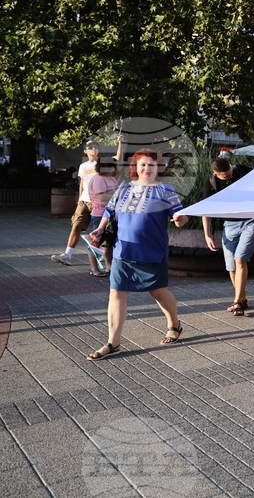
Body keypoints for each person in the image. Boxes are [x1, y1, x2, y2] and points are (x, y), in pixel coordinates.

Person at [85, 150, 188, 360]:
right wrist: (101, 229)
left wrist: (179, 219)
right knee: (117, 294)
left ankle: (174, 324)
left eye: (151, 165)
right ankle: (113, 343)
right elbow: (109, 210)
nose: (147, 169)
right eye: (143, 165)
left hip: (152, 251)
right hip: (124, 251)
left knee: (158, 292)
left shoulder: (165, 190)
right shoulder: (124, 187)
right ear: (136, 167)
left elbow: (181, 216)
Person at [201, 158, 254, 316]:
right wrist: (207, 235)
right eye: (226, 176)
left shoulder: (240, 170)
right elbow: (205, 210)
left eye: (230, 173)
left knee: (240, 259)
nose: (230, 177)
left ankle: (236, 302)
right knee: (231, 267)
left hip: (251, 220)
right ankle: (242, 299)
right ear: (216, 174)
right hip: (229, 225)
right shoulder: (210, 183)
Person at [51, 138, 122, 266]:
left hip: (99, 202)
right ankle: (67, 254)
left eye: (95, 146)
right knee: (76, 227)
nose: (93, 149)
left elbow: (117, 158)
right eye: (90, 147)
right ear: (85, 151)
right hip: (84, 200)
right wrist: (79, 199)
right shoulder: (83, 166)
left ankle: (101, 257)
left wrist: (120, 143)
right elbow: (82, 183)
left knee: (101, 232)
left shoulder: (103, 163)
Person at [87, 158, 120, 277]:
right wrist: (118, 194)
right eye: (115, 166)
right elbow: (102, 198)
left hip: (111, 214)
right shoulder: (98, 180)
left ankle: (108, 266)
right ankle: (94, 268)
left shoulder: (111, 179)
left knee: (108, 242)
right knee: (96, 240)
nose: (117, 168)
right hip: (100, 214)